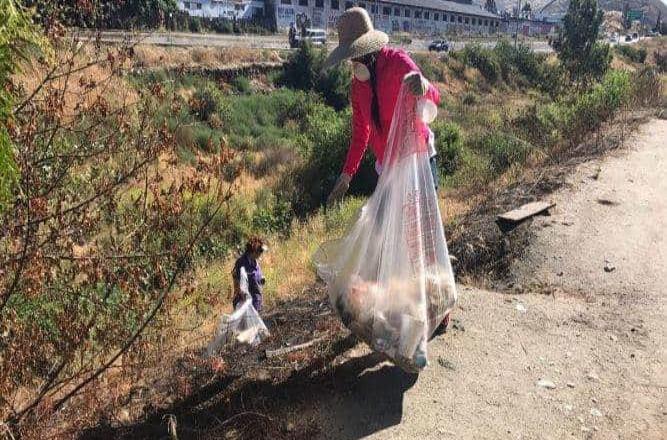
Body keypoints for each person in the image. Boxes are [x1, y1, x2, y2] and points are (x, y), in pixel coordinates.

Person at [322, 7, 450, 333]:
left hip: (419, 160)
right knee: (382, 236)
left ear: (370, 51)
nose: (353, 66)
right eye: (349, 60)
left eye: (355, 58)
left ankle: (439, 305)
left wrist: (422, 86)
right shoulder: (358, 87)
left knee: (424, 235)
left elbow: (431, 94)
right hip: (390, 169)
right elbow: (360, 135)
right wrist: (346, 175)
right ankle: (385, 304)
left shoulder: (398, 63)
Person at [232, 237, 267, 313]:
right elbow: (238, 284)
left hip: (256, 303)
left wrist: (261, 279)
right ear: (254, 251)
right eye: (260, 251)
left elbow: (255, 276)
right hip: (246, 305)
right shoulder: (241, 263)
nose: (261, 253)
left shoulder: (255, 261)